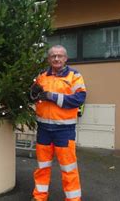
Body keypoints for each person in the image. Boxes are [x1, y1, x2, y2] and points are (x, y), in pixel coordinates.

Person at [29, 45, 86, 201]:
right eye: (53, 56)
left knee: (68, 169)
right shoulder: (41, 76)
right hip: (43, 130)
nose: (56, 58)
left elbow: (79, 99)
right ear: (49, 59)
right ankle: (39, 197)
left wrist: (52, 96)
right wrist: (32, 94)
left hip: (64, 131)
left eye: (60, 56)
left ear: (65, 58)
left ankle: (73, 199)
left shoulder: (74, 76)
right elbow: (33, 95)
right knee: (42, 167)